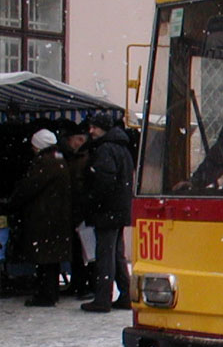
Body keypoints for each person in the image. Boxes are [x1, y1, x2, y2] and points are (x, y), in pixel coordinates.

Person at [6, 129, 72, 307]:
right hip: (56, 217)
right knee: (51, 260)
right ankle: (50, 293)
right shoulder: (59, 160)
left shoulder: (45, 163)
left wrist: (10, 203)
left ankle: (46, 295)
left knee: (45, 260)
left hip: (45, 218)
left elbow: (29, 187)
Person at [81, 112, 134, 313]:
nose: (91, 131)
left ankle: (103, 298)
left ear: (103, 128)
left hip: (107, 210)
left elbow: (103, 182)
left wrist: (91, 200)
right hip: (119, 209)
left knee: (105, 254)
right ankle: (126, 295)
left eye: (94, 127)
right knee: (116, 254)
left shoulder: (105, 150)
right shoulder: (122, 148)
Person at [60, 122, 95, 299]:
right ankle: (79, 284)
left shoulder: (82, 158)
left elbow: (80, 187)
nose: (78, 143)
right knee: (80, 251)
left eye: (82, 139)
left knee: (84, 252)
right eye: (77, 139)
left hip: (81, 211)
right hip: (78, 211)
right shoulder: (77, 158)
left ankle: (83, 285)